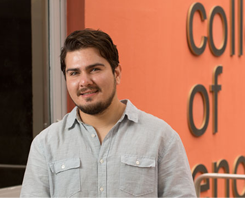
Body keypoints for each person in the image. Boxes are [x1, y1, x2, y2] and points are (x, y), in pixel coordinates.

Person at [20, 29, 196, 197]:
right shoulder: (45, 145)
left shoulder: (161, 138)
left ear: (116, 73)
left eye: (94, 69)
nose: (84, 82)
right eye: (74, 73)